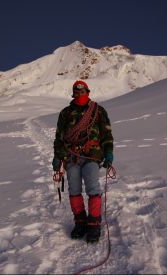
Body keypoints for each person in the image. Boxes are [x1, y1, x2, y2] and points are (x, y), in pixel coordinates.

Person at [52, 80, 114, 243]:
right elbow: (59, 138)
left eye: (82, 91)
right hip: (71, 156)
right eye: (76, 91)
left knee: (93, 187)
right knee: (74, 189)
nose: (80, 94)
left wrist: (108, 152)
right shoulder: (65, 113)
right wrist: (57, 157)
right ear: (73, 93)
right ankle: (80, 223)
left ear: (88, 92)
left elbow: (106, 135)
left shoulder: (98, 111)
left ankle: (94, 225)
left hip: (92, 155)